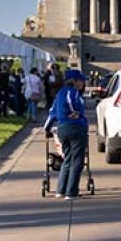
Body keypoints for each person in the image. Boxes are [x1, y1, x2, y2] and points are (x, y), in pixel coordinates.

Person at [44, 69, 89, 200]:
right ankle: (71, 191)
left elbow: (52, 112)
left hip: (62, 128)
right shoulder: (73, 92)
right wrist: (77, 113)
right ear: (74, 81)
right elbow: (73, 103)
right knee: (77, 161)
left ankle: (61, 190)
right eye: (81, 80)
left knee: (67, 159)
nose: (83, 83)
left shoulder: (59, 94)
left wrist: (46, 128)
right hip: (75, 127)